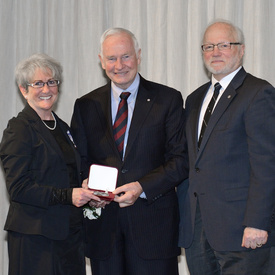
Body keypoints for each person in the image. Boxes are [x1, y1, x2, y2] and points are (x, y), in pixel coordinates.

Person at [71, 27, 188, 275]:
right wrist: (85, 184)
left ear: (138, 55)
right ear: (101, 61)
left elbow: (180, 160)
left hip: (154, 230)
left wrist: (141, 187)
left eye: (126, 56)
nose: (119, 65)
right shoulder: (85, 105)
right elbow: (78, 161)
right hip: (104, 230)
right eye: (111, 58)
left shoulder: (167, 99)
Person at [177, 20, 275, 274]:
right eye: (208, 46)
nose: (215, 52)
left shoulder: (258, 93)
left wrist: (258, 222)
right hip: (199, 233)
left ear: (241, 49)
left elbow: (267, 165)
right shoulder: (195, 98)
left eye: (224, 45)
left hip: (243, 232)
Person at [0, 53, 101, 275]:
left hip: (69, 236)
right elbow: (19, 189)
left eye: (51, 82)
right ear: (23, 89)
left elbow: (66, 175)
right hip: (36, 239)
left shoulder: (63, 127)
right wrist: (68, 196)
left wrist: (85, 190)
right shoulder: (19, 129)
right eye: (38, 83)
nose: (46, 89)